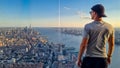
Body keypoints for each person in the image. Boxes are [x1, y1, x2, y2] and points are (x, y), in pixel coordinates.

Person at [76, 4, 114, 68]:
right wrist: (109, 56)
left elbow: (83, 45)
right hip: (103, 60)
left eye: (91, 12)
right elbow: (111, 44)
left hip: (89, 59)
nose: (90, 14)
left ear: (95, 13)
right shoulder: (110, 27)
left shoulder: (88, 26)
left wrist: (79, 59)